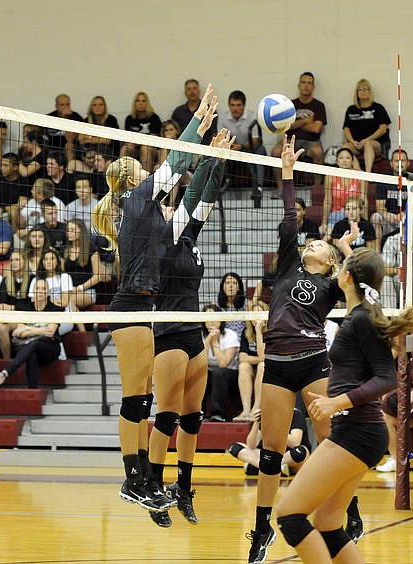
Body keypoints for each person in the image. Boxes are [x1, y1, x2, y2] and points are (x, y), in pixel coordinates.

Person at [92, 83, 217, 515]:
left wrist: (210, 153)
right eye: (140, 169)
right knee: (137, 401)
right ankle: (135, 480)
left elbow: (188, 181)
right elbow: (178, 161)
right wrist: (197, 122)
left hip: (144, 308)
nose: (148, 172)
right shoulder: (136, 197)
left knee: (140, 400)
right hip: (129, 308)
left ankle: (143, 480)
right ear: (129, 178)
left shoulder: (144, 208)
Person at [275, 247, 413, 563]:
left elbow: (387, 378)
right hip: (359, 432)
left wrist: (336, 402)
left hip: (357, 433)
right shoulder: (359, 315)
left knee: (290, 516)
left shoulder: (361, 319)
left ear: (344, 277)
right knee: (328, 524)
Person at [246, 135, 358, 564]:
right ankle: (260, 531)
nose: (311, 243)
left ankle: (350, 512)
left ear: (329, 261)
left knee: (334, 441)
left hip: (312, 362)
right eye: (310, 242)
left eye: (320, 245)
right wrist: (288, 173)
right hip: (276, 364)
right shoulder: (290, 265)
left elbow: (358, 285)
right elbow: (290, 222)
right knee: (272, 451)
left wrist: (346, 252)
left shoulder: (332, 285)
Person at [147, 134, 232, 527]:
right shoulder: (161, 241)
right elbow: (192, 194)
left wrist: (221, 160)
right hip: (167, 333)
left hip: (192, 333)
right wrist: (206, 156)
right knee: (165, 416)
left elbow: (207, 196)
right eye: (165, 208)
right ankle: (151, 488)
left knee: (192, 418)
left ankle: (183, 489)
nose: (170, 211)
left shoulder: (189, 237)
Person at [0, 277, 63, 389]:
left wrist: (28, 329)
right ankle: (33, 390)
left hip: (50, 347)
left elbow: (50, 332)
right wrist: (39, 330)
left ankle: (7, 371)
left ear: (48, 292)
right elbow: (19, 333)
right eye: (38, 288)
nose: (40, 291)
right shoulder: (27, 308)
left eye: (43, 288)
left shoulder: (55, 309)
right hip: (32, 347)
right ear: (33, 291)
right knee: (32, 354)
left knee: (35, 344)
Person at [271, 72, 327, 188]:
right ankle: (280, 189)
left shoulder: (319, 105)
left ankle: (316, 189)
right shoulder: (289, 105)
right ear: (298, 85)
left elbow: (316, 129)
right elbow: (285, 126)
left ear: (313, 87)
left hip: (311, 142)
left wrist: (295, 123)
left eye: (309, 83)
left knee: (318, 152)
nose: (306, 85)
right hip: (289, 141)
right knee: (276, 151)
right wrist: (306, 121)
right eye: (303, 82)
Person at [228, 407, 311, 476]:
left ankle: (260, 468)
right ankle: (268, 467)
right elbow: (251, 446)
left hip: (289, 458)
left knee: (300, 451)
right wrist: (256, 423)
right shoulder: (267, 415)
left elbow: (295, 443)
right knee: (235, 447)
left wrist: (275, 427)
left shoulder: (295, 414)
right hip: (270, 456)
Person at [220, 90, 266, 201]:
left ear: (244, 105)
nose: (235, 108)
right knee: (216, 154)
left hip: (249, 149)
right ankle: (217, 188)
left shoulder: (253, 116)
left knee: (261, 150)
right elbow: (220, 137)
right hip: (230, 150)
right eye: (232, 105)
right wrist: (231, 147)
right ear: (229, 105)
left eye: (238, 105)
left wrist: (240, 147)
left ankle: (258, 189)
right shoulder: (222, 118)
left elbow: (256, 139)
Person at [341, 78, 391, 173]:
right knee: (345, 147)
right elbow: (346, 129)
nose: (363, 91)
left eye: (366, 88)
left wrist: (366, 140)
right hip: (356, 144)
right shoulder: (351, 109)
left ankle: (368, 173)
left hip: (374, 143)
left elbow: (383, 129)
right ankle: (359, 172)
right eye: (360, 89)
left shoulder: (378, 108)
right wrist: (352, 141)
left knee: (368, 144)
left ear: (370, 91)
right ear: (356, 92)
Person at [204, 304, 241, 423]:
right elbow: (199, 362)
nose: (212, 321)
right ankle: (197, 412)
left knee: (218, 372)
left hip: (230, 376)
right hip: (210, 375)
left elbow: (223, 363)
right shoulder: (201, 336)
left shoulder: (231, 335)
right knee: (199, 373)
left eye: (215, 316)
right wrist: (208, 340)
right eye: (208, 317)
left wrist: (214, 343)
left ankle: (218, 414)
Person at [0, 250, 33, 359]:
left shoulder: (32, 279)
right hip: (11, 318)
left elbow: (31, 306)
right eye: (12, 260)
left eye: (17, 260)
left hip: (29, 317)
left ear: (24, 262)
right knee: (1, 327)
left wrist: (13, 307)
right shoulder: (6, 280)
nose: (14, 262)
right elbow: (1, 304)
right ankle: (7, 360)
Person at [321, 147, 367, 235]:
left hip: (354, 214)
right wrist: (324, 223)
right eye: (341, 158)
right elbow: (327, 200)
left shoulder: (361, 175)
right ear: (337, 161)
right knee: (328, 233)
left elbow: (363, 200)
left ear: (353, 161)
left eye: (348, 158)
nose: (344, 161)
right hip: (336, 214)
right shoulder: (330, 176)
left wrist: (365, 222)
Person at [237, 300, 268, 421]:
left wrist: (259, 331)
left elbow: (263, 356)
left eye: (260, 314)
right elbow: (242, 357)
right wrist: (258, 359)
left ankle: (256, 409)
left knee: (262, 365)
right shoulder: (246, 332)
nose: (257, 318)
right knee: (243, 366)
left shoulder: (272, 331)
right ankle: (246, 410)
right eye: (254, 315)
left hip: (269, 370)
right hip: (253, 367)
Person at [123, 91, 162, 172]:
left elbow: (154, 138)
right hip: (135, 149)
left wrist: (136, 142)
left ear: (147, 103)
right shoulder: (129, 119)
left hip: (152, 149)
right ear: (135, 103)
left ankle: (145, 179)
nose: (140, 103)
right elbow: (127, 138)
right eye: (138, 101)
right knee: (125, 148)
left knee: (145, 148)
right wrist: (130, 144)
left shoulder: (154, 118)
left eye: (143, 101)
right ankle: (123, 177)